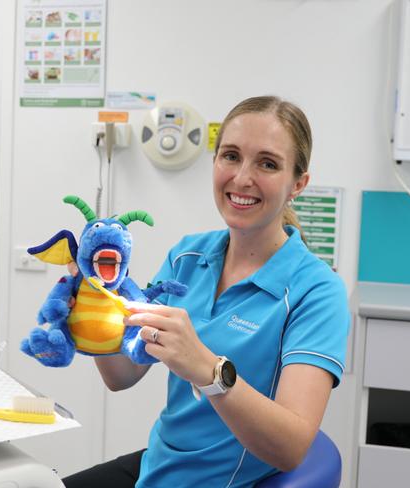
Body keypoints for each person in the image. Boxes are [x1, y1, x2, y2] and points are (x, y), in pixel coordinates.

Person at [63, 95, 350, 487]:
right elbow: (123, 374)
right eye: (230, 156)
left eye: (267, 163)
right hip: (160, 468)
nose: (242, 177)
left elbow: (291, 447)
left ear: (298, 183)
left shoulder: (316, 291)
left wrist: (208, 370)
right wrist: (91, 307)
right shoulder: (187, 256)